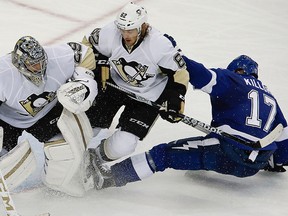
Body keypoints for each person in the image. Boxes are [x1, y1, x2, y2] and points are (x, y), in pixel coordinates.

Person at [83, 52, 288, 190]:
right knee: (211, 152)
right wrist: (274, 162)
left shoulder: (234, 80)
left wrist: (176, 57)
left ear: (238, 70)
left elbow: (202, 75)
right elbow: (284, 139)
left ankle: (108, 178)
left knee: (162, 155)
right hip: (253, 165)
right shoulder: (271, 98)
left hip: (226, 150)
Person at [81, 2, 189, 176]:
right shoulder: (111, 33)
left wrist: (176, 99)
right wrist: (98, 63)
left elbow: (180, 72)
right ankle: (67, 157)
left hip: (148, 98)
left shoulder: (159, 44)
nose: (125, 34)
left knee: (124, 145)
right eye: (122, 29)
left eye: (130, 30)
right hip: (114, 87)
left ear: (143, 26)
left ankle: (93, 159)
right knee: (86, 127)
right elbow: (86, 44)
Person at [0, 35, 98, 156]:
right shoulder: (3, 73)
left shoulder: (56, 56)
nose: (39, 67)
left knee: (64, 149)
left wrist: (83, 81)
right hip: (7, 120)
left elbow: (85, 52)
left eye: (41, 62)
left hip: (46, 113)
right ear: (20, 63)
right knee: (3, 159)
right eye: (33, 64)